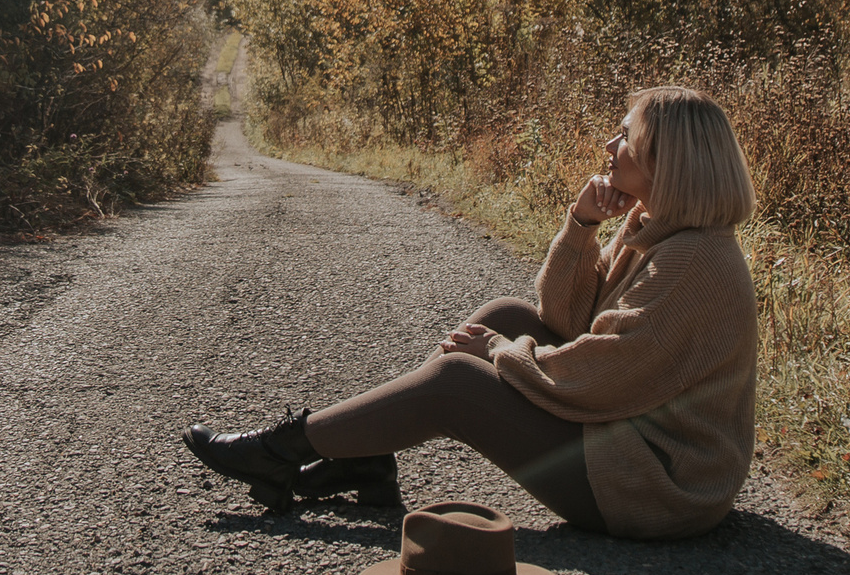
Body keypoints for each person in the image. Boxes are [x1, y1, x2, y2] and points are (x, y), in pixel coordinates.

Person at [185, 85, 760, 540]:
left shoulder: (693, 262)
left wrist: (495, 354)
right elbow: (565, 319)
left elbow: (604, 376)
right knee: (508, 313)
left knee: (458, 384)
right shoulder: (655, 230)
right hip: (627, 437)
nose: (609, 146)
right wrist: (581, 226)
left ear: (665, 161)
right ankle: (365, 459)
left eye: (625, 137)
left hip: (660, 485)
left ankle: (281, 451)